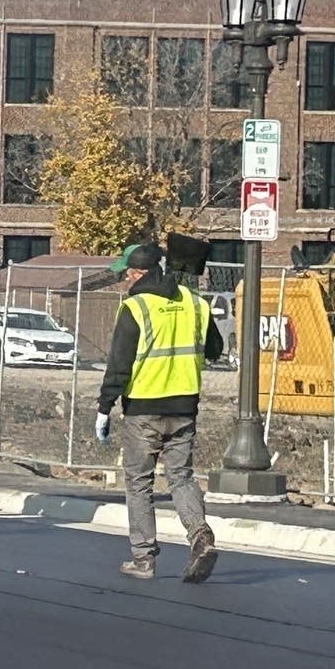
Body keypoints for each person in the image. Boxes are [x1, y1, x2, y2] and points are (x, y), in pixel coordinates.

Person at [95, 242, 225, 583]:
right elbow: (215, 349)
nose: (124, 280)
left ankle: (143, 558)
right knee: (180, 476)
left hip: (143, 409)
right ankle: (200, 535)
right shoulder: (196, 304)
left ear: (139, 273)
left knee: (139, 483)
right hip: (184, 407)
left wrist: (104, 406)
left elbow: (119, 364)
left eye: (126, 274)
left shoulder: (136, 308)